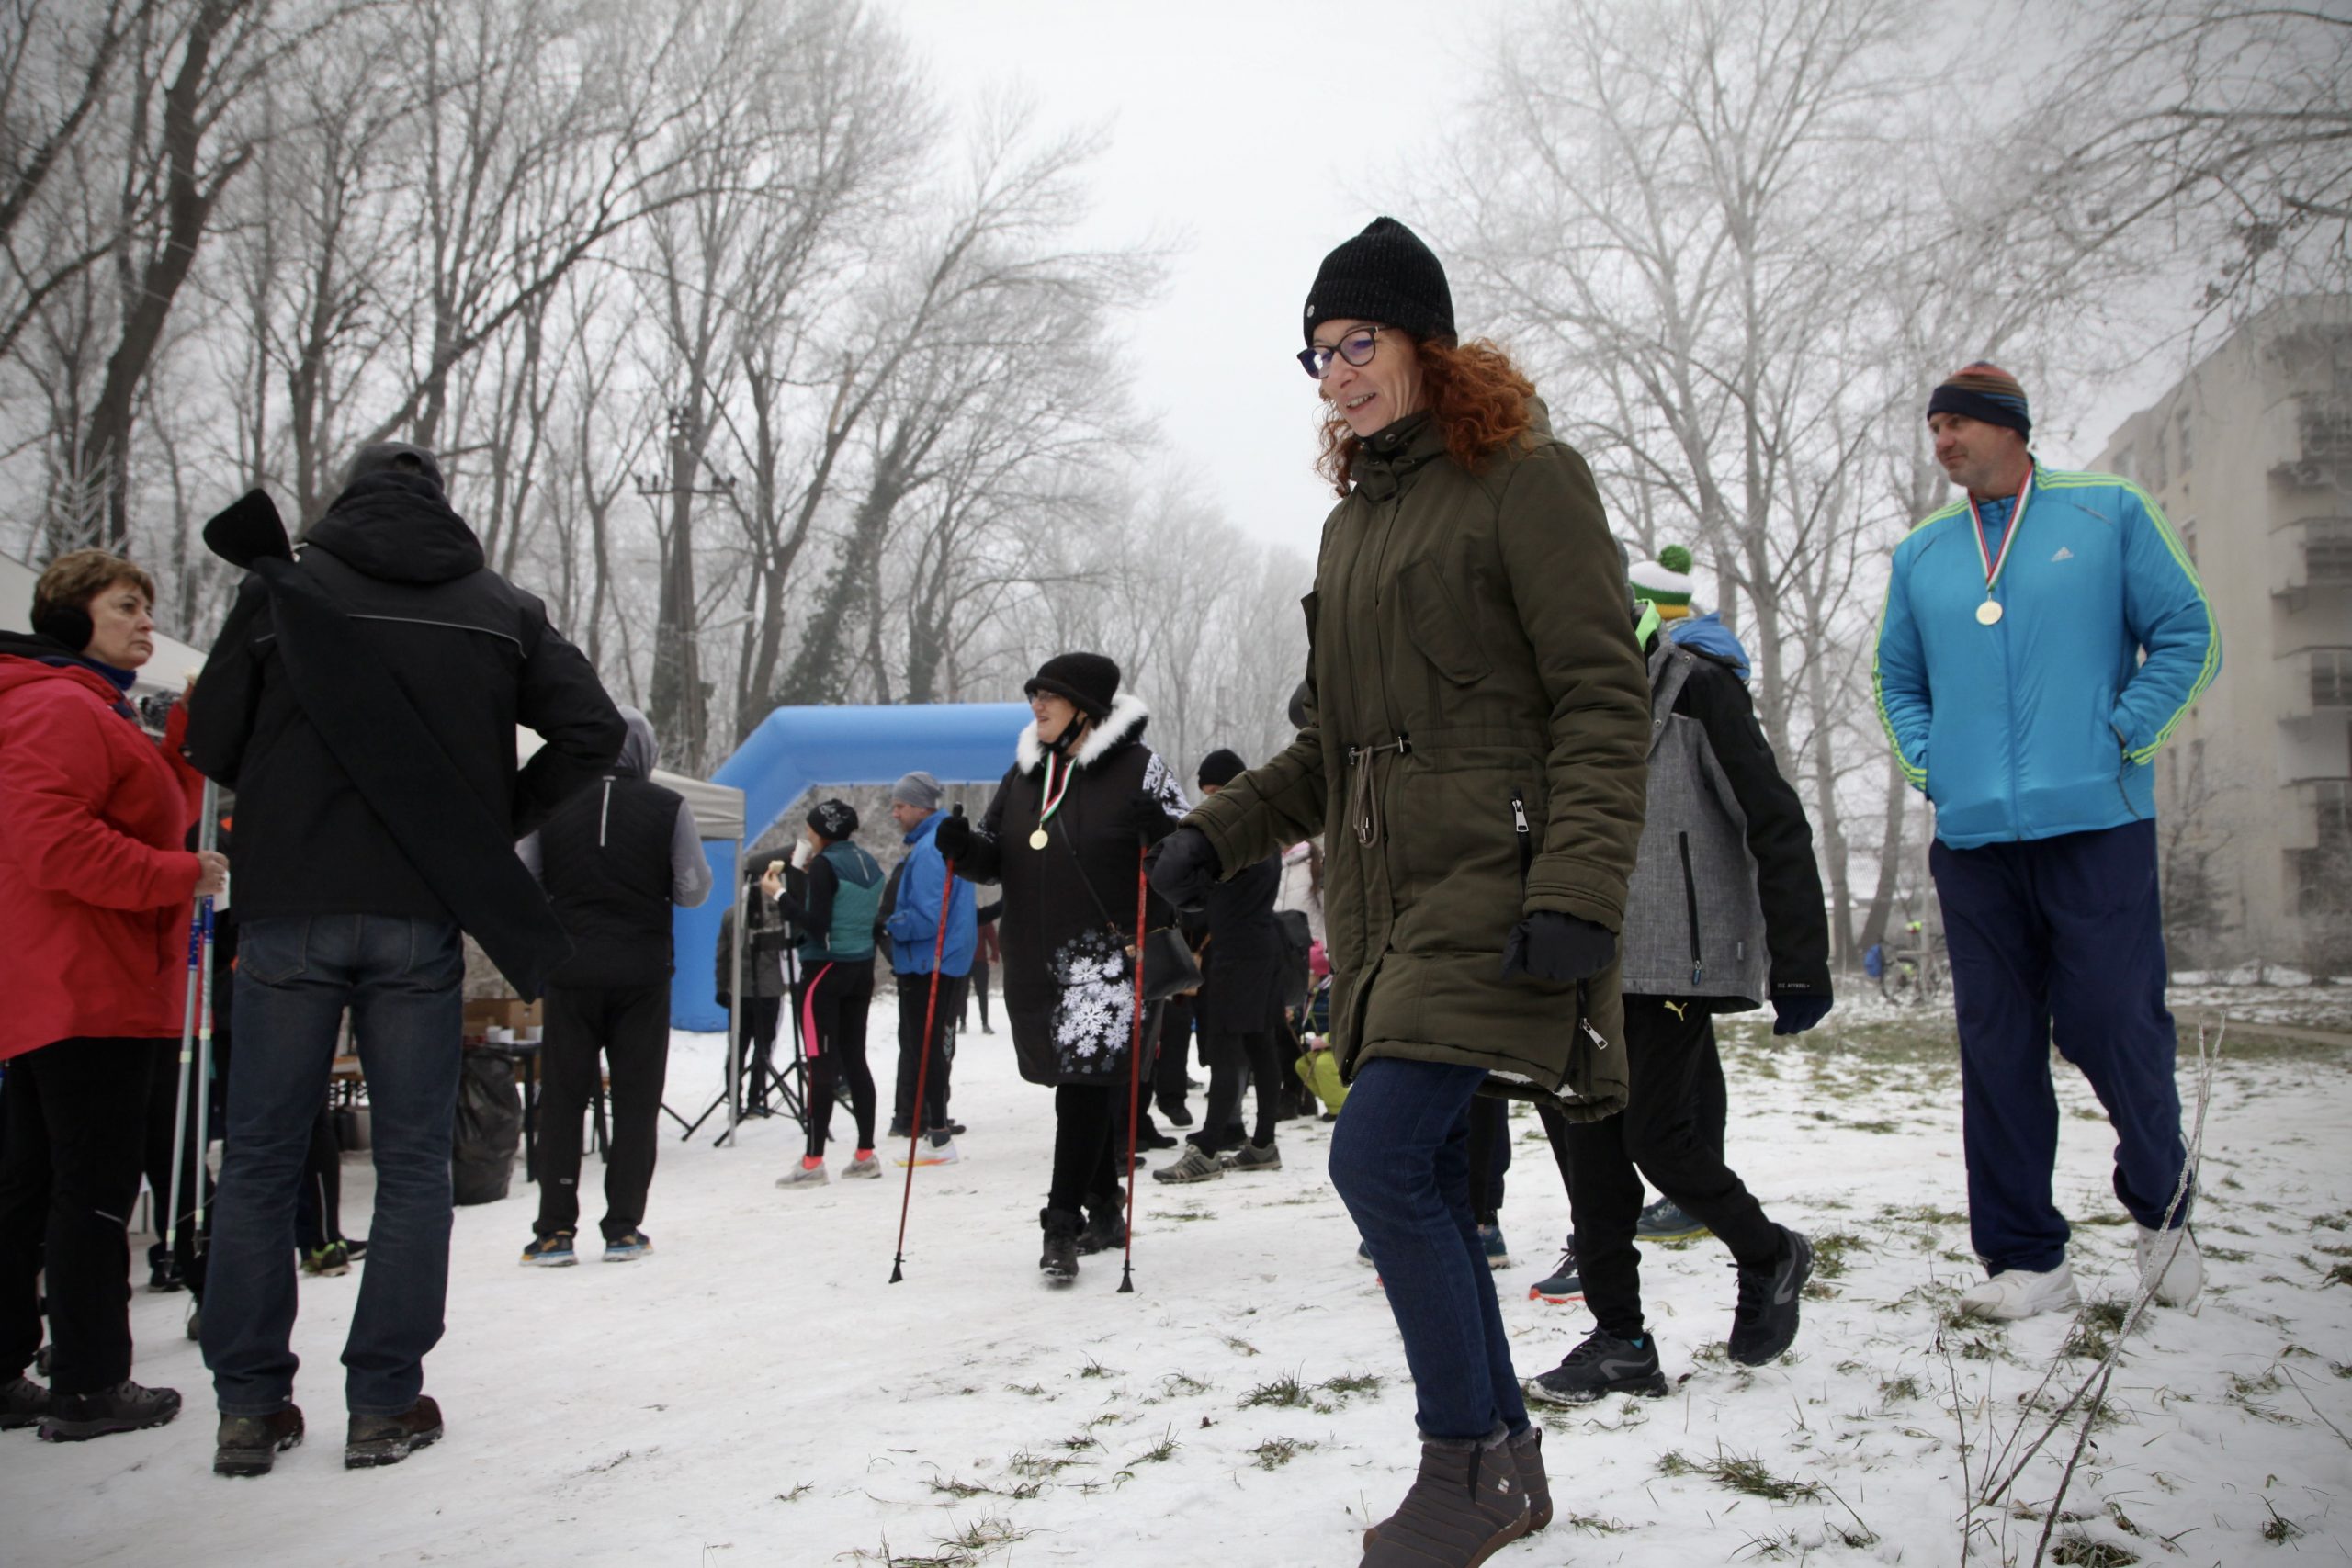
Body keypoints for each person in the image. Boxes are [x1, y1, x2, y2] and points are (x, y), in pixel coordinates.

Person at [1150, 217, 1651, 1565]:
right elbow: (1330, 742)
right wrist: (1219, 832)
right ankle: (1501, 1463)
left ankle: (1462, 1462)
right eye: (1316, 355)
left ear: (1426, 341)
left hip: (1504, 872)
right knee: (1408, 1161)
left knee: (1376, 1154)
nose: (1336, 375)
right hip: (1388, 899)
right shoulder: (1353, 525)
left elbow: (1605, 695)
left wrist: (1583, 883)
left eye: (1356, 343)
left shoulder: (1527, 482)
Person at [186, 440, 624, 1476]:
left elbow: (209, 738)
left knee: (256, 1162)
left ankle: (248, 1406)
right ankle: (382, 1402)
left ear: (344, 501)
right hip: (418, 912)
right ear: (440, 507)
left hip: (289, 905)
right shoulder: (496, 605)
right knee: (415, 1165)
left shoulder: (285, 587)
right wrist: (482, 821)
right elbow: (595, 731)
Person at [1875, 363, 2219, 1320]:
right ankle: (2027, 1262)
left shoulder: (2106, 513)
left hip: (2096, 826)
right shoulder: (1923, 555)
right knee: (1998, 1046)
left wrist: (2122, 731)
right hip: (1976, 839)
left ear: (2009, 429)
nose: (1942, 441)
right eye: (1934, 426)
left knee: (2114, 1024)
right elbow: (1897, 680)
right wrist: (1932, 762)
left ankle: (2162, 1208)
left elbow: (2186, 633)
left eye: (1958, 424)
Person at [1527, 581, 1833, 1405]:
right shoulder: (1545, 703)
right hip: (1571, 955)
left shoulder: (1698, 689)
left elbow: (1774, 818)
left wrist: (1800, 956)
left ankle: (1767, 1252)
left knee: (1660, 1138)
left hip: (1672, 960)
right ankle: (1621, 1339)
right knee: (1587, 1154)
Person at [0, 549, 220, 1441]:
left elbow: (136, 809)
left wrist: (177, 751)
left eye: (147, 609)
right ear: (70, 616)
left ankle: (11, 1362)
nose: (145, 624)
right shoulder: (57, 706)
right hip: (87, 980)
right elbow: (52, 840)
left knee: (32, 1180)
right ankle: (89, 1381)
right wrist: (182, 875)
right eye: (127, 606)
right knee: (90, 1187)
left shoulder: (86, 707)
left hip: (66, 980)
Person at [933, 652, 1188, 1282]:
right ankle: (1105, 1205)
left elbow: (1192, 852)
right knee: (1084, 1084)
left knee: (1080, 1085)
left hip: (1108, 958)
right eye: (1034, 696)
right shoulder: (1024, 777)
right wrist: (965, 850)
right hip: (1035, 959)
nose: (1037, 706)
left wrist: (1161, 832)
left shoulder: (1140, 768)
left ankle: (1061, 1220)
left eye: (1050, 696)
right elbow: (996, 857)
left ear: (1088, 709)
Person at [515, 706, 710, 1266]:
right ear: (644, 751)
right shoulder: (668, 806)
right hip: (641, 973)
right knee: (635, 1101)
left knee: (563, 1099)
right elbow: (693, 888)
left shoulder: (550, 805)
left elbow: (524, 876)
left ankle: (554, 1230)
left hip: (570, 970)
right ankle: (623, 1227)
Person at [1154, 749, 1289, 1183]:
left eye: (1215, 792)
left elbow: (1193, 887)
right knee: (1259, 1045)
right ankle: (1263, 1143)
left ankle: (1209, 1146)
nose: (1210, 802)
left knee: (1227, 1047)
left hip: (1238, 955)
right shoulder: (1260, 829)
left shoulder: (1235, 834)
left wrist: (1160, 840)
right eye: (1206, 794)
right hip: (1262, 946)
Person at [763, 800, 886, 1187]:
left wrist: (779, 895)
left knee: (821, 1063)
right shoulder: (868, 861)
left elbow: (816, 926)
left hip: (824, 971)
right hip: (860, 968)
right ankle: (865, 1153)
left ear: (819, 831)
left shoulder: (824, 864)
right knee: (855, 1059)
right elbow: (842, 908)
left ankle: (813, 1161)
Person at [884, 771, 976, 1165]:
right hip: (939, 960)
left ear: (921, 807)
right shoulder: (933, 843)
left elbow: (928, 917)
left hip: (928, 963)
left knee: (927, 1050)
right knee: (929, 1048)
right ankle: (933, 1131)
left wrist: (890, 923)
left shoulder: (929, 850)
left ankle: (937, 1134)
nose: (894, 814)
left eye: (900, 806)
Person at [716, 852, 796, 1115]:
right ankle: (755, 1099)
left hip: (740, 990)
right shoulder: (778, 912)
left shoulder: (730, 914)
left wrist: (721, 987)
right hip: (769, 990)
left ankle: (734, 1100)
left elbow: (723, 955)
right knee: (763, 1046)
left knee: (737, 1047)